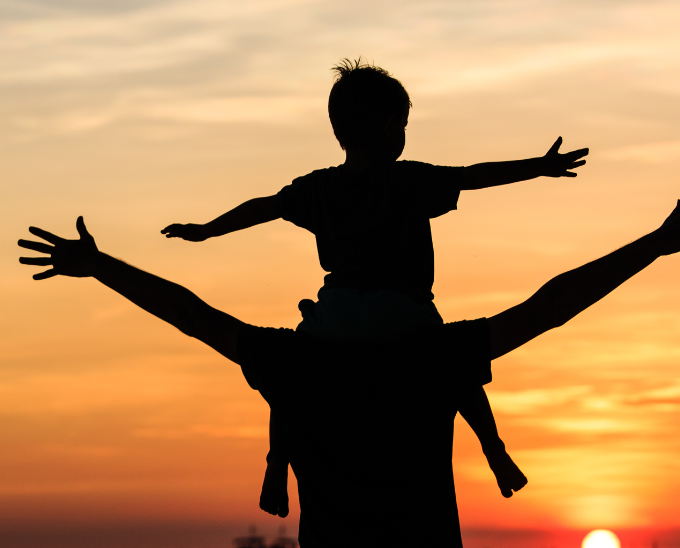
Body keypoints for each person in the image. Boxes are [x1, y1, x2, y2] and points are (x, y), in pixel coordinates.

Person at [19, 188, 680, 547]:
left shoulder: (292, 361)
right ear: (414, 264)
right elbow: (550, 306)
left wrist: (101, 266)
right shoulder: (432, 358)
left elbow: (190, 312)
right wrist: (651, 245)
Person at [161, 59, 589, 508]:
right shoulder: (407, 180)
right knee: (457, 363)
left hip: (336, 315)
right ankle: (495, 451)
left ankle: (275, 465)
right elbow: (474, 175)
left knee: (287, 376)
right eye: (403, 125)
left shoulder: (318, 188)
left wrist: (206, 229)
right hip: (402, 313)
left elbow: (261, 207)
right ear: (390, 127)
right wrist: (539, 166)